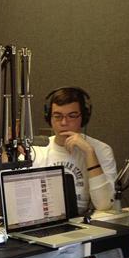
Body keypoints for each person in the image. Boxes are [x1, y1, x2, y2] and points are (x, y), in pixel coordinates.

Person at [32, 86, 117, 215]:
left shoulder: (101, 150)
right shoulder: (36, 150)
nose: (64, 122)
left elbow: (104, 204)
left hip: (83, 226)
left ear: (83, 117)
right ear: (49, 118)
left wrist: (89, 153)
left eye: (72, 116)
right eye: (57, 116)